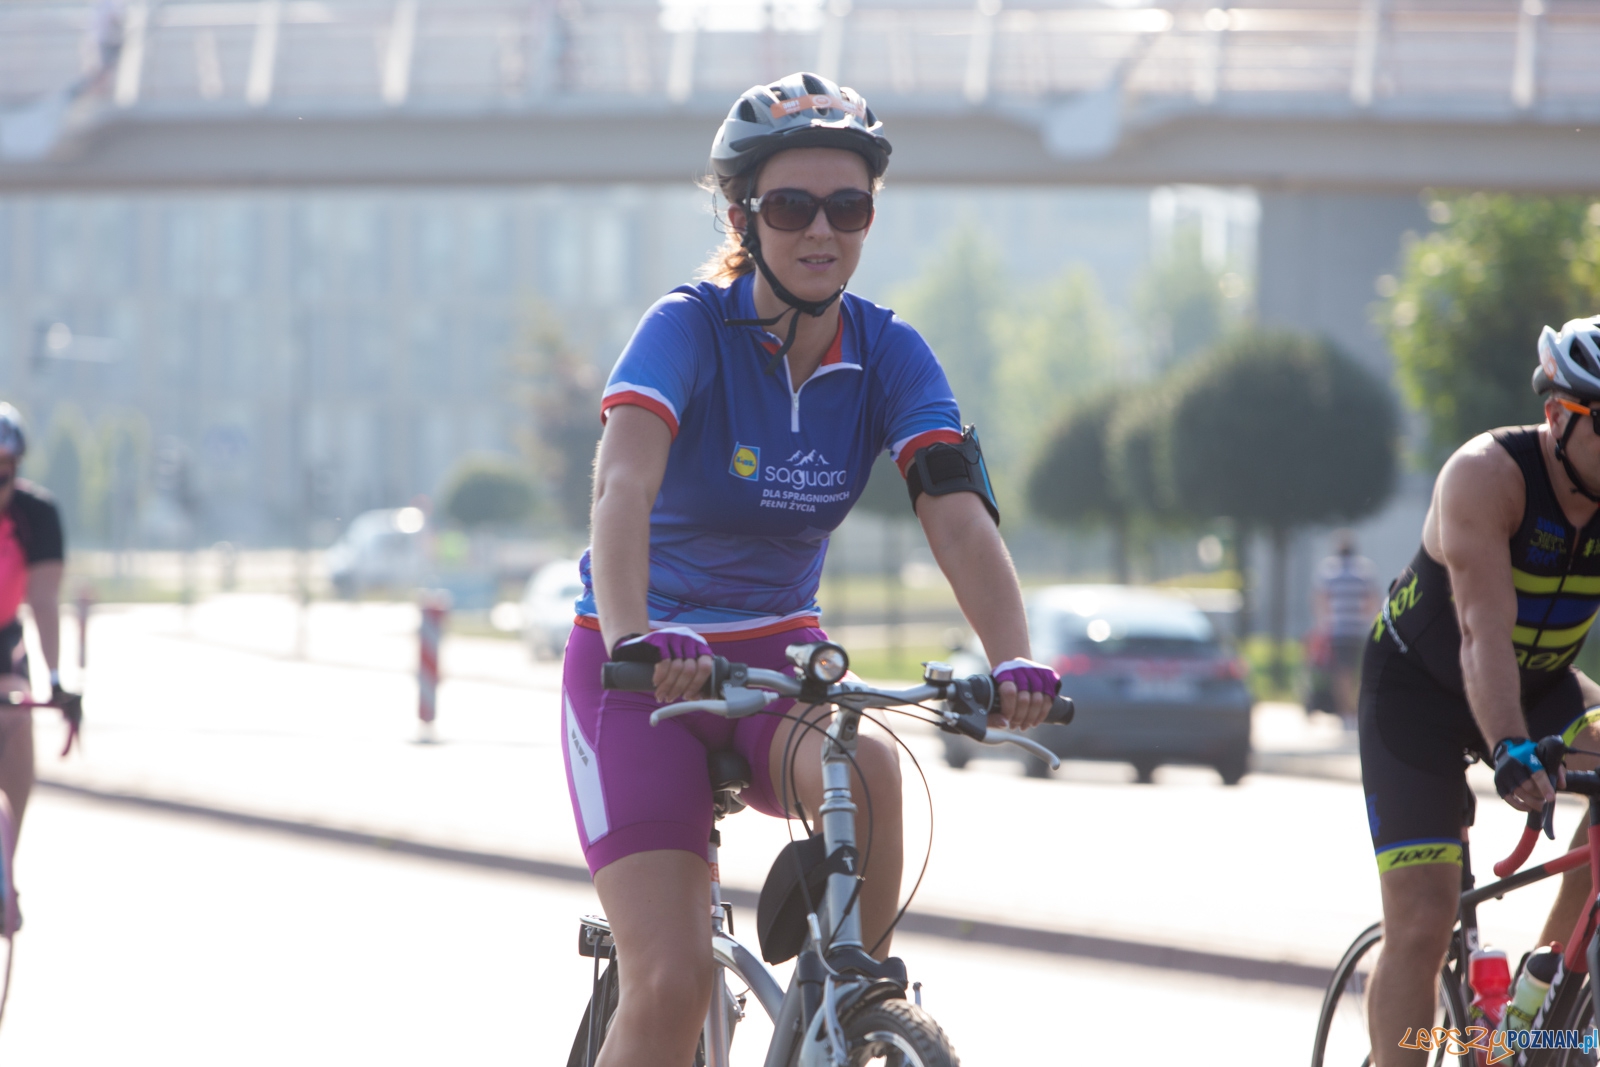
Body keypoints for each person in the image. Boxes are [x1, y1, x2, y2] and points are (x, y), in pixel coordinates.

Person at [561, 72, 1060, 1067]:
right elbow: (622, 486)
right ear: (746, 214)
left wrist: (1014, 660)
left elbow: (957, 518)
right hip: (638, 667)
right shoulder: (686, 327)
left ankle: (848, 1007)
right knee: (670, 984)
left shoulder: (890, 353)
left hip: (780, 655)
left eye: (849, 206)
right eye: (792, 206)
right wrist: (631, 635)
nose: (820, 229)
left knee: (871, 763)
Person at [1359, 316, 1600, 1065]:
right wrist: (1507, 747)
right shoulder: (1486, 475)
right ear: (1559, 416)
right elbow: (1481, 632)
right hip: (1419, 693)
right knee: (1426, 919)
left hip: (1543, 685)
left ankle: (1535, 1013)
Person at [0, 404, 81, 846]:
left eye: (4, 471)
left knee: (16, 720)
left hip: (3, 635)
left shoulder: (38, 514)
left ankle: (4, 868)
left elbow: (45, 602)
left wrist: (54, 679)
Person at [1312, 530, 1378, 725]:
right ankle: (1353, 709)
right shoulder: (1365, 570)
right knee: (1357, 671)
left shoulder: (1328, 570)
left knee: (1341, 672)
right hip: (1358, 628)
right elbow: (1372, 599)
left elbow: (1321, 600)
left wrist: (1323, 624)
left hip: (1337, 629)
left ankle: (1345, 711)